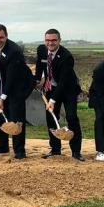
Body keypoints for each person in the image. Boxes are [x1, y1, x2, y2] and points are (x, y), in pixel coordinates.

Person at [0, 24, 35, 159]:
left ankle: (19, 151)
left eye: (1, 37)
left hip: (18, 85)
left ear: (6, 36)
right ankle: (3, 146)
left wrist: (2, 99)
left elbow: (12, 78)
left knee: (16, 117)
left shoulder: (15, 51)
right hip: (1, 81)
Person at [34, 28, 84, 161]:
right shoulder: (41, 50)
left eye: (54, 40)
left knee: (72, 118)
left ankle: (76, 152)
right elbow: (40, 64)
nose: (50, 43)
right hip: (51, 87)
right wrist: (37, 79)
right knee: (51, 118)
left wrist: (53, 100)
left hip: (68, 89)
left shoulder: (67, 56)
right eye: (48, 40)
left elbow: (63, 82)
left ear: (59, 41)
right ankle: (55, 150)